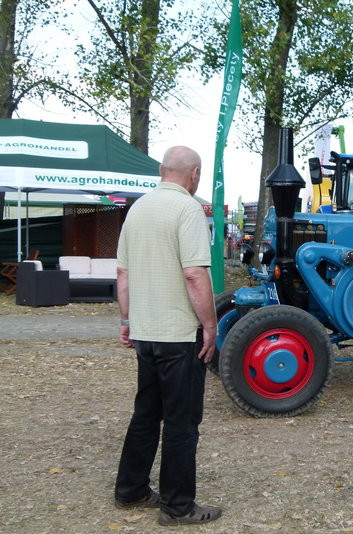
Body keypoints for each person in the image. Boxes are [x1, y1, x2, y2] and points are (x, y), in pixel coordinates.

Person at [114, 146, 222, 526]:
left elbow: (123, 275)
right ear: (194, 174)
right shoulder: (188, 209)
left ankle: (131, 490)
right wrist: (210, 325)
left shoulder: (137, 209)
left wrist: (127, 320)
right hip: (178, 334)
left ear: (162, 171)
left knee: (146, 412)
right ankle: (177, 506)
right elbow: (195, 274)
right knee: (181, 421)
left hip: (145, 331)